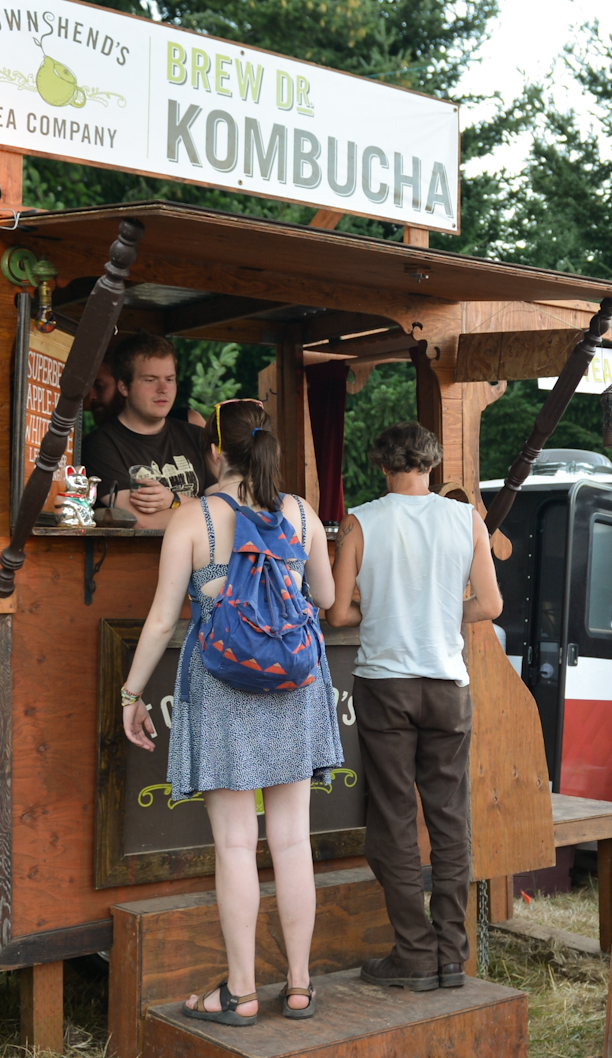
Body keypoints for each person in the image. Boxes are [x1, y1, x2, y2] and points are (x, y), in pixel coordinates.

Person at [119, 400, 341, 1023]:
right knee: (293, 841)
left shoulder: (193, 518)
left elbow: (164, 618)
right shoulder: (300, 514)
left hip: (220, 685)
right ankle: (299, 986)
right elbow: (323, 596)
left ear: (214, 453)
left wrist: (133, 695)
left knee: (237, 846)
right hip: (294, 685)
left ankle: (240, 993)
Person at [327, 422, 502, 992]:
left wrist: (379, 612)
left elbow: (338, 613)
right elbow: (491, 604)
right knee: (451, 821)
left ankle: (414, 953)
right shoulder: (466, 520)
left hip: (387, 684)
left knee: (395, 820)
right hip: (448, 685)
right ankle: (453, 955)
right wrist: (443, 616)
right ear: (430, 464)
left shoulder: (361, 521)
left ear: (381, 464)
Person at [83, 332, 214, 529]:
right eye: (150, 380)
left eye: (169, 379)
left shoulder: (196, 436)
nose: (163, 388)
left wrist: (174, 500)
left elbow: (229, 506)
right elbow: (141, 521)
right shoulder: (100, 445)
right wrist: (210, 512)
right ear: (124, 386)